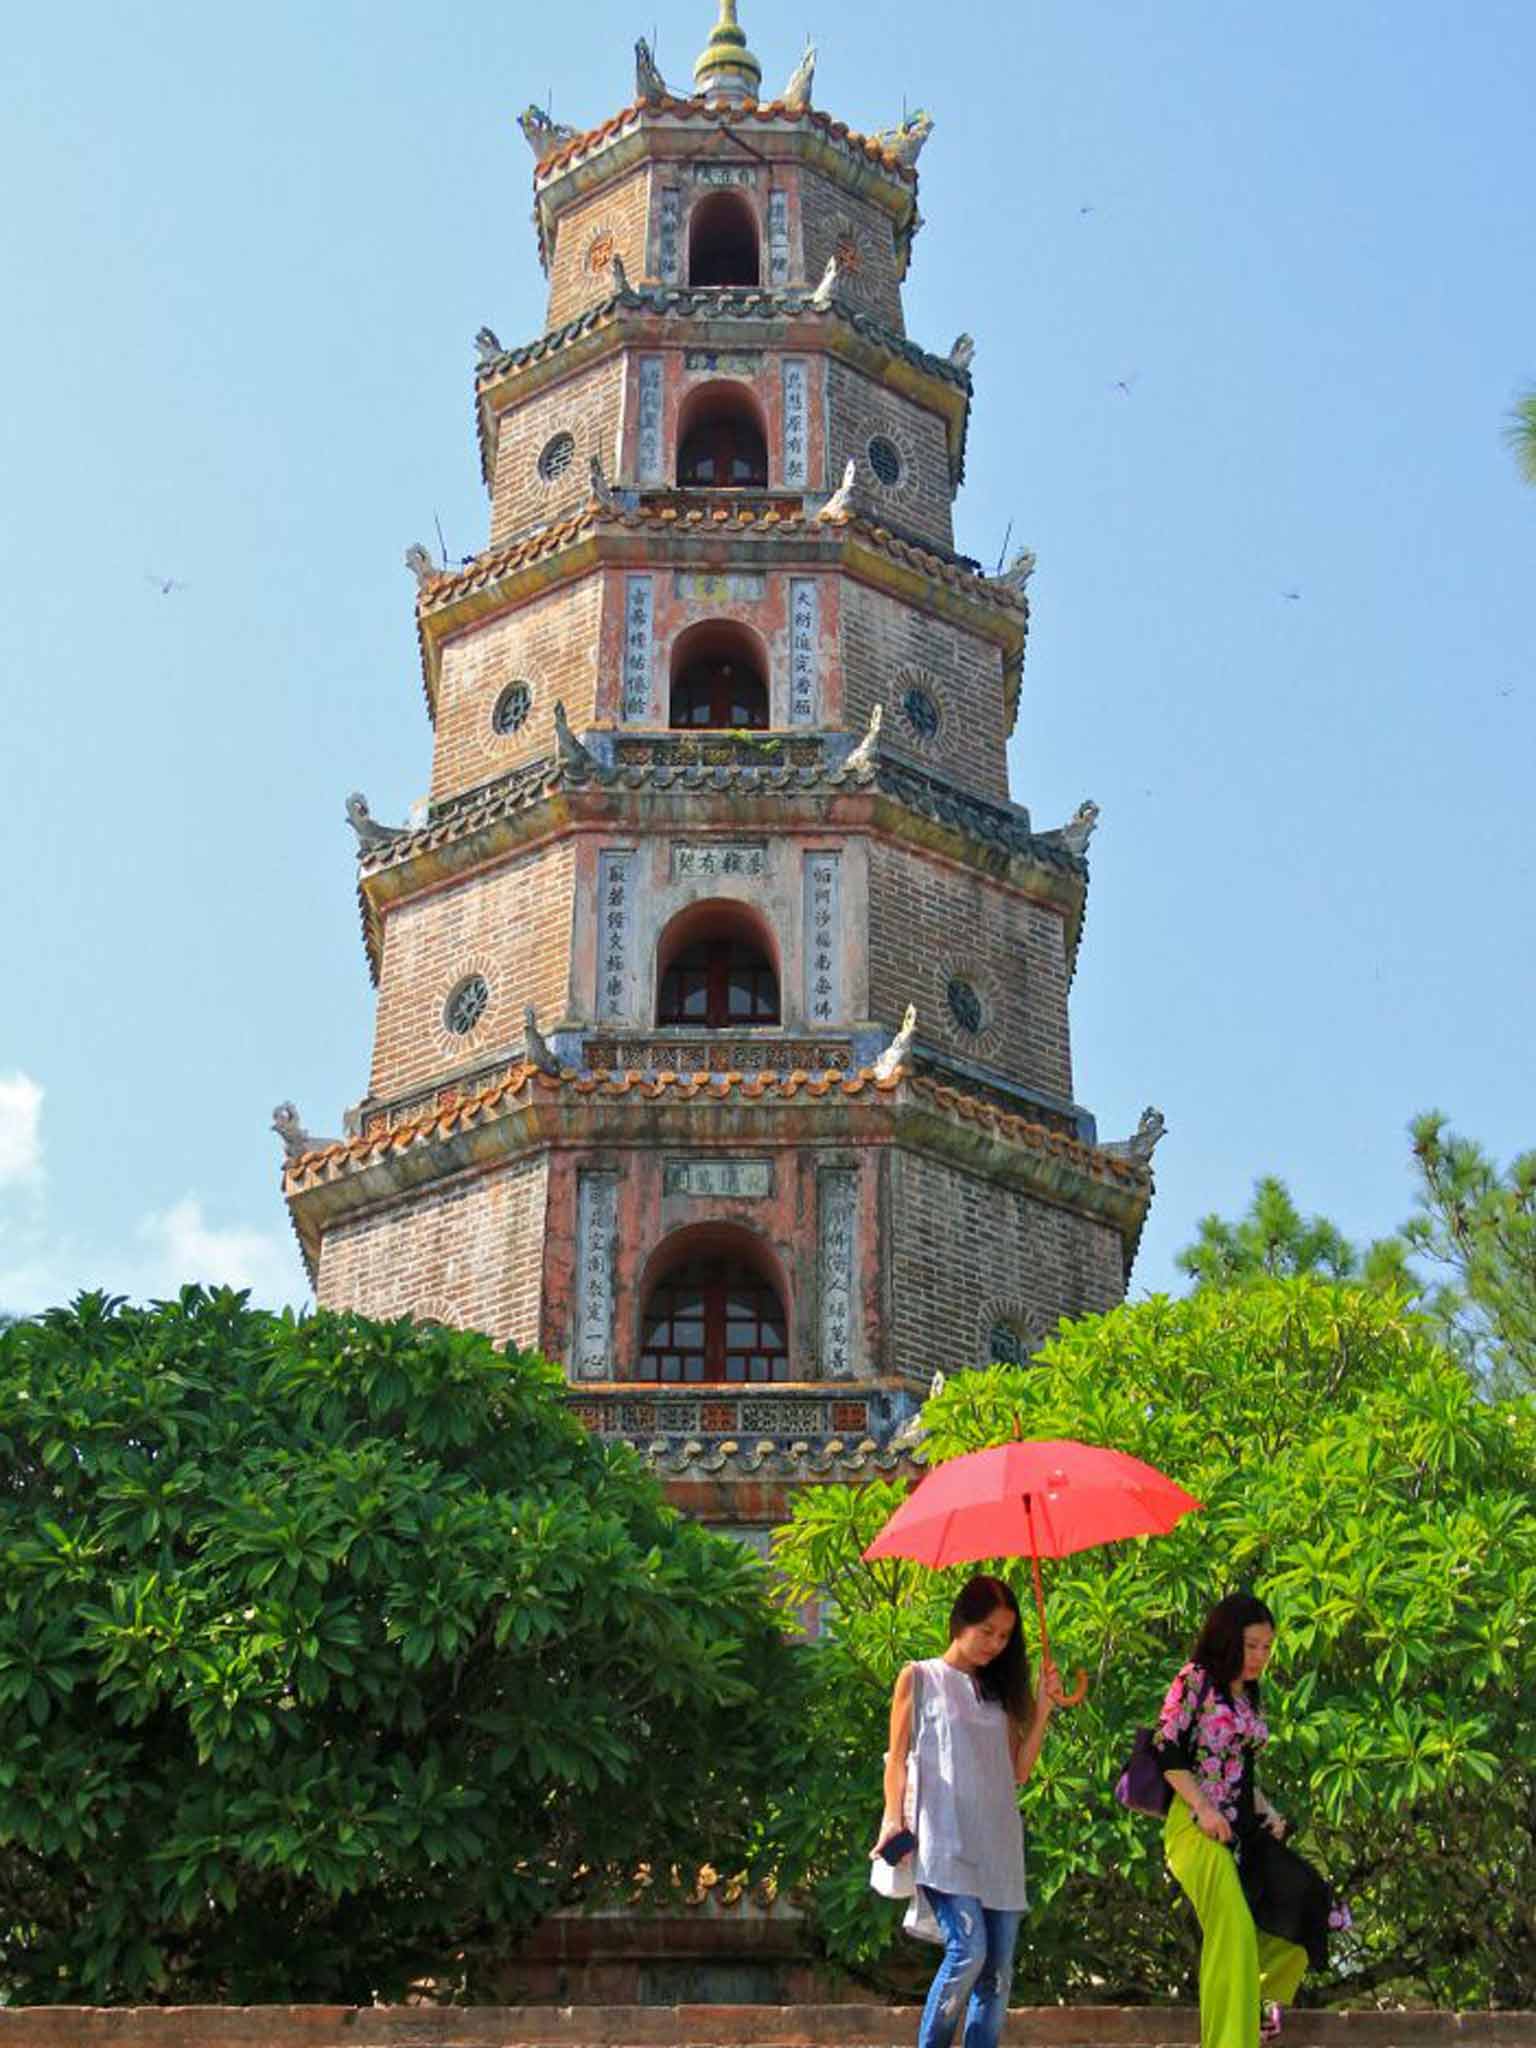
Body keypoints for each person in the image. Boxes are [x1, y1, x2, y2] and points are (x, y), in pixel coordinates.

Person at [872, 1575, 1067, 2048]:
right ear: (960, 1621)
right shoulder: (918, 1677)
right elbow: (896, 1758)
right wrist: (894, 1818)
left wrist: (1041, 1709)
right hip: (944, 1841)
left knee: (997, 1977)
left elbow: (1019, 1771)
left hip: (998, 1844)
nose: (995, 1644)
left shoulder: (997, 1692)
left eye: (1004, 1636)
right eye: (986, 1631)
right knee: (967, 1953)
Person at [1153, 1592, 1336, 2048]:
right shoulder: (1194, 1679)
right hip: (1194, 1826)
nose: (1260, 1656)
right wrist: (1204, 1809)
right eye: (1252, 1645)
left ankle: (1258, 2002)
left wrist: (1268, 1811)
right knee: (1232, 1935)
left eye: (1267, 1647)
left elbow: (1237, 1770)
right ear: (1227, 1639)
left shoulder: (1248, 1693)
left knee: (1309, 1899)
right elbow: (1169, 1751)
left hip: (1240, 1829)